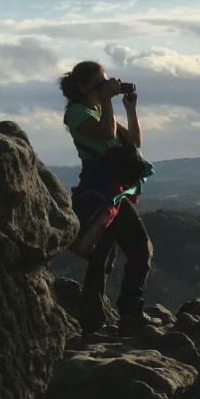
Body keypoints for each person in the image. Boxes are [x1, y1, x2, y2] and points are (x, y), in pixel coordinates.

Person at [59, 60, 154, 335]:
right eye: (100, 83)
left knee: (103, 257)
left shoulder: (98, 109)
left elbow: (134, 142)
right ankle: (130, 312)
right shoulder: (76, 113)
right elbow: (106, 133)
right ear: (83, 86)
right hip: (102, 193)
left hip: (113, 192)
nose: (105, 87)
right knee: (140, 248)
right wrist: (108, 102)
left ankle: (93, 320)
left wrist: (130, 108)